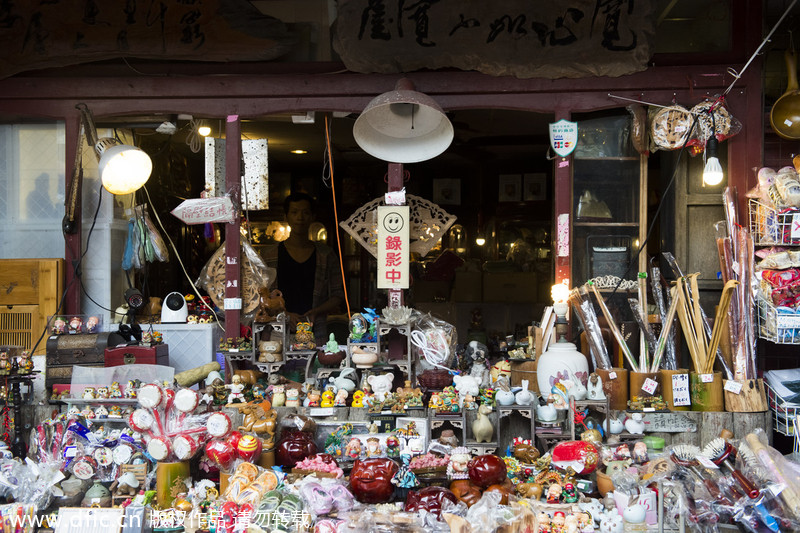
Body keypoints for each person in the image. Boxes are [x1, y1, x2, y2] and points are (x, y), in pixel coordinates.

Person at [263, 192, 344, 345]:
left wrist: (316, 312)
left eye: (305, 212)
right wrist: (285, 314)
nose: (300, 217)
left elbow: (338, 295)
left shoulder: (326, 255)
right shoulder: (269, 256)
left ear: (313, 217)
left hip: (316, 329)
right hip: (276, 331)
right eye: (294, 212)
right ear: (286, 217)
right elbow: (261, 296)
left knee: (316, 361)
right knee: (274, 359)